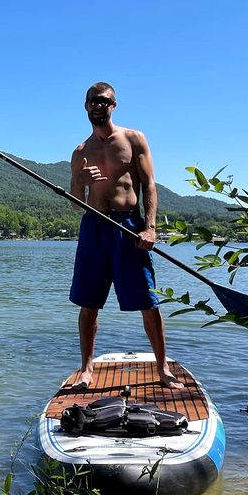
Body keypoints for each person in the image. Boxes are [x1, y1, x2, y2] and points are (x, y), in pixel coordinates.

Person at [69, 82, 183, 390]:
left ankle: (162, 368)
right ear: (85, 106)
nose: (98, 106)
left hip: (128, 227)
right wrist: (79, 179)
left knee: (149, 301)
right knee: (88, 303)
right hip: (94, 227)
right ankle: (86, 369)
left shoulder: (133, 139)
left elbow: (149, 185)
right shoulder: (81, 152)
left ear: (114, 105)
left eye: (104, 101)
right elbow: (75, 199)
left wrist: (150, 227)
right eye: (93, 101)